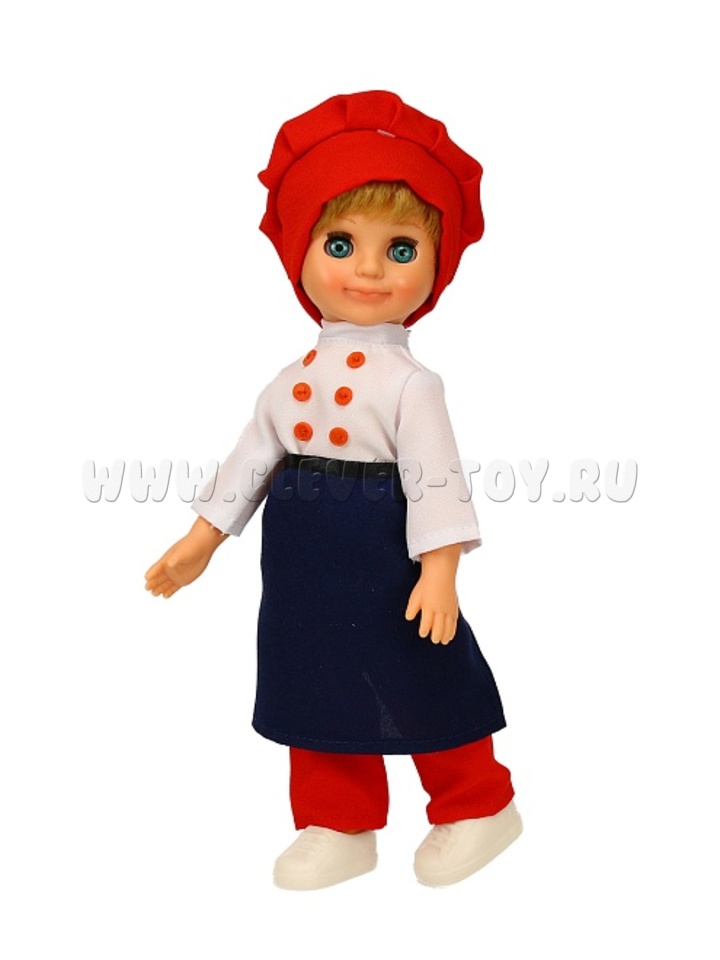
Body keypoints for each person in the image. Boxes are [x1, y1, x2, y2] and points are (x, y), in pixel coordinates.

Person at [145, 91, 522, 890]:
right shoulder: (291, 380)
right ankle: (337, 821)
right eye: (342, 243)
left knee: (426, 675)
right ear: (302, 254)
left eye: (401, 248)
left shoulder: (413, 385)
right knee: (311, 677)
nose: (369, 270)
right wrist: (201, 541)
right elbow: (251, 460)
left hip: (388, 546)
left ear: (436, 264)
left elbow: (435, 479)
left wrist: (441, 568)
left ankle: (478, 804)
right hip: (302, 555)